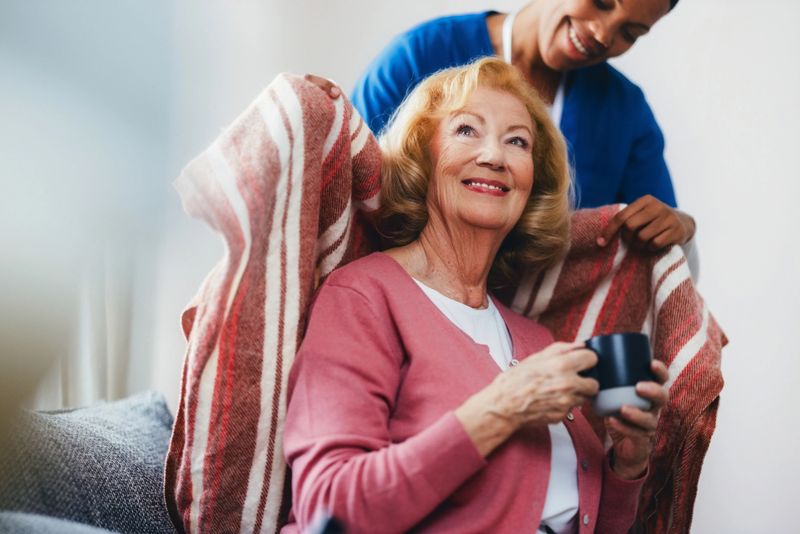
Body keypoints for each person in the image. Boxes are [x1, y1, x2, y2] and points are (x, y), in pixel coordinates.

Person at [283, 58, 669, 534]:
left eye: (517, 142)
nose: (495, 156)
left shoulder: (536, 340)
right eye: (467, 130)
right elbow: (328, 506)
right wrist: (503, 406)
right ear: (423, 157)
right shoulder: (364, 297)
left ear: (532, 181)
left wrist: (628, 464)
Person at [346, 0, 697, 255]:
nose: (602, 34)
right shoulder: (420, 56)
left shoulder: (624, 111)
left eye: (630, 33)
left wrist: (684, 228)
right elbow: (347, 186)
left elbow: (660, 235)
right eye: (602, 2)